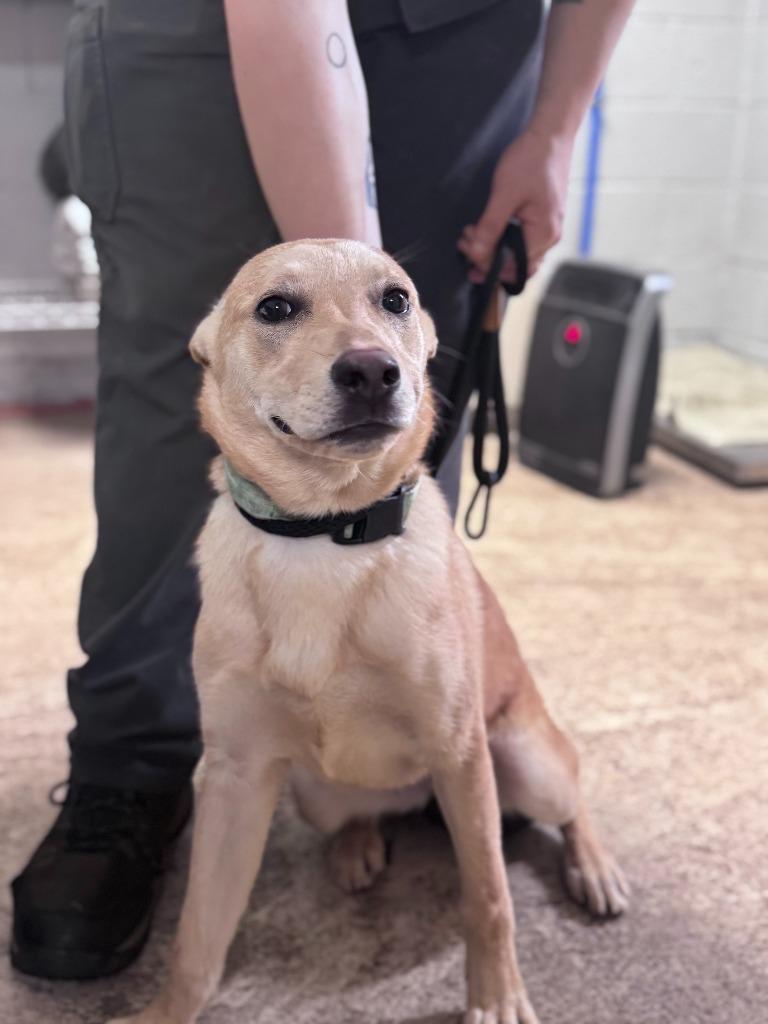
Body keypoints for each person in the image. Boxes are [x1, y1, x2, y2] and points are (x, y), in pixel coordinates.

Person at [11, 0, 635, 982]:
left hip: (467, 34)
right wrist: (352, 286)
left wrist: (557, 126)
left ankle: (414, 708)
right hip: (187, 32)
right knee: (181, 382)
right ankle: (131, 762)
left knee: (396, 380)